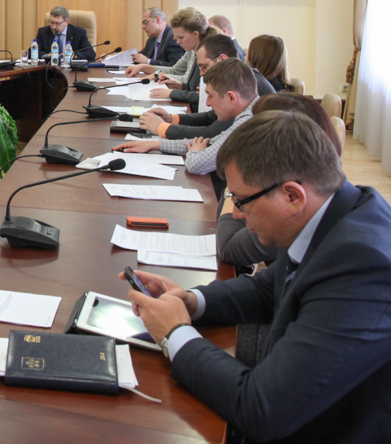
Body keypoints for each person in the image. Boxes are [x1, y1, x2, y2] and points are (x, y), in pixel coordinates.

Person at [123, 111, 391, 444]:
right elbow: (266, 289)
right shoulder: (333, 211)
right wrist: (191, 301)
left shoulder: (363, 268)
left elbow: (263, 409)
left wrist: (175, 334)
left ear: (292, 196)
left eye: (241, 200)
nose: (235, 213)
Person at [216, 93, 342, 268]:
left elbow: (229, 247)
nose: (236, 213)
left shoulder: (349, 260)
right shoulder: (316, 202)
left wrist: (235, 192)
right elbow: (270, 281)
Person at [115, 59, 258, 194]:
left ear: (231, 97)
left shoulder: (247, 123)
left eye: (211, 96)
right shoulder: (248, 112)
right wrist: (155, 145)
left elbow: (197, 165)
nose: (208, 103)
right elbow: (209, 144)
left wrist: (194, 152)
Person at [138, 34, 275, 141]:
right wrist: (171, 118)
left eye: (204, 67)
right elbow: (211, 117)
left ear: (222, 59)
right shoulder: (237, 75)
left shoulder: (245, 82)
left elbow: (214, 133)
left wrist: (162, 128)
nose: (201, 74)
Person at [127, 7, 219, 112]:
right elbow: (176, 71)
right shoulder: (191, 50)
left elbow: (202, 95)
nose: (177, 41)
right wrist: (145, 67)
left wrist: (171, 92)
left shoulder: (208, 57)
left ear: (195, 35)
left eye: (181, 37)